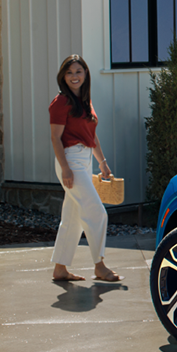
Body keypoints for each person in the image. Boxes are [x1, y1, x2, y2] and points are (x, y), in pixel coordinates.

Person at [49, 55, 121, 283]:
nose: (74, 76)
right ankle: (99, 265)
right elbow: (55, 138)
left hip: (85, 159)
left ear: (85, 74)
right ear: (63, 76)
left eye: (78, 71)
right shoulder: (61, 102)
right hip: (69, 161)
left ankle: (60, 268)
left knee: (72, 218)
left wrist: (102, 162)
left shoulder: (84, 101)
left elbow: (92, 136)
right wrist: (65, 168)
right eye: (69, 73)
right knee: (97, 212)